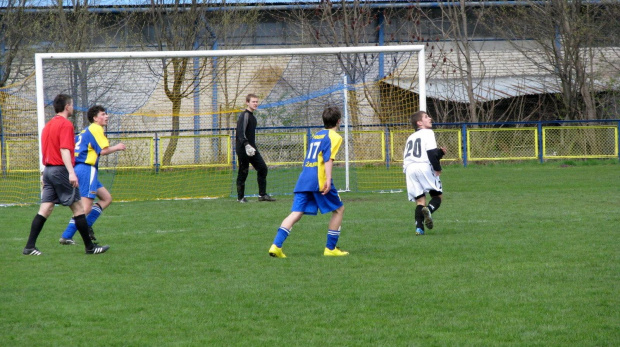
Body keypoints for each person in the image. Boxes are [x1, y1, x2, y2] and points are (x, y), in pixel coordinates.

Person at [23, 94, 110, 255]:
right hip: (60, 170)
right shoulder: (66, 125)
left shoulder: (48, 126)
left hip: (48, 170)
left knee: (45, 209)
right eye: (72, 104)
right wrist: (71, 172)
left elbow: (47, 149)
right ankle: (90, 247)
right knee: (79, 209)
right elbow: (64, 149)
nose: (73, 107)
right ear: (67, 107)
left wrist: (44, 173)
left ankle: (29, 247)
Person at [268, 106, 348, 258]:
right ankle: (331, 249)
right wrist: (328, 180)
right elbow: (328, 159)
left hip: (304, 178)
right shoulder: (335, 137)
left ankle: (276, 246)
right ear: (339, 121)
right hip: (319, 179)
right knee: (339, 210)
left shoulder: (317, 135)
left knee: (296, 212)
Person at [59, 105, 126, 245]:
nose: (106, 116)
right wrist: (118, 147)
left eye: (106, 114)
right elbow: (103, 151)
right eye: (103, 114)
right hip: (86, 169)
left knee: (106, 198)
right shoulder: (96, 128)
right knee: (85, 207)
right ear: (95, 118)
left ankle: (86, 225)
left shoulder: (85, 130)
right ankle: (67, 235)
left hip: (82, 168)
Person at [403, 110, 446, 236]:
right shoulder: (428, 133)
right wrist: (437, 168)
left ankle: (419, 228)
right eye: (426, 117)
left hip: (409, 169)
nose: (430, 118)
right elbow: (431, 154)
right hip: (423, 166)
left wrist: (440, 153)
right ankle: (429, 210)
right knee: (437, 196)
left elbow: (427, 153)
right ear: (419, 122)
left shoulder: (410, 137)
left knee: (420, 201)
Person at [235, 93, 275, 203]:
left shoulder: (253, 117)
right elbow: (240, 133)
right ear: (247, 102)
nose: (255, 103)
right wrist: (246, 145)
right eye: (253, 101)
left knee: (262, 168)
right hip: (243, 148)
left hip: (252, 149)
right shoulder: (245, 115)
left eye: (257, 101)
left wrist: (251, 147)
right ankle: (240, 197)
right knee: (243, 172)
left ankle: (262, 195)